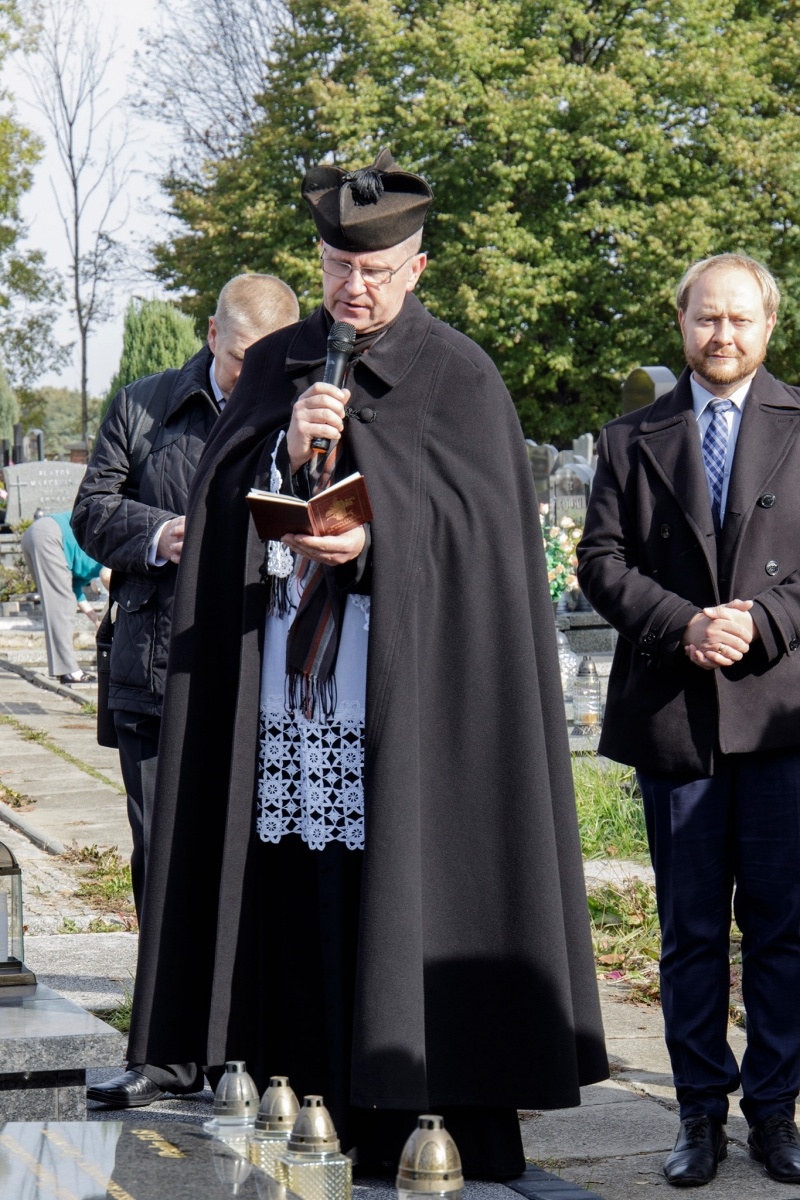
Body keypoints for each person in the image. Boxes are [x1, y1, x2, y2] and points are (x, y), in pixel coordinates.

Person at [125, 148, 609, 1177]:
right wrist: (282, 460)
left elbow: (481, 541)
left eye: (376, 272)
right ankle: (305, 1099)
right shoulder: (276, 364)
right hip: (290, 694)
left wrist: (379, 538)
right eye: (338, 266)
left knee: (403, 883)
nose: (354, 289)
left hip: (404, 695)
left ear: (417, 269)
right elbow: (218, 512)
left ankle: (423, 1120)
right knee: (296, 891)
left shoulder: (458, 375)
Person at [577, 253, 800, 1188]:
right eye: (707, 319)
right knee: (692, 932)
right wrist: (686, 624)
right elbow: (600, 559)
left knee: (786, 931)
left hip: (784, 716)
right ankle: (698, 1117)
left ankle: (776, 1116)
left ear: (768, 326)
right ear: (681, 323)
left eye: (740, 320)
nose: (723, 336)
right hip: (677, 717)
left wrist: (767, 621)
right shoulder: (632, 438)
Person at [71, 273, 300, 1108]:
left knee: (253, 861)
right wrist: (163, 533)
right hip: (159, 670)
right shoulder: (142, 406)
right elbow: (92, 511)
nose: (255, 377)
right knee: (161, 861)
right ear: (212, 335)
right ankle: (166, 1048)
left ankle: (241, 1045)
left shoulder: (300, 401)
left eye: (270, 361)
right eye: (243, 360)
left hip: (262, 674)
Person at [21, 510, 105, 684]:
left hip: (37, 533)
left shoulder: (86, 566)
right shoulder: (113, 555)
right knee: (61, 607)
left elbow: (73, 589)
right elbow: (108, 576)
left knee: (58, 604)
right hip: (52, 536)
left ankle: (65, 669)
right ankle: (69, 671)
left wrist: (94, 617)